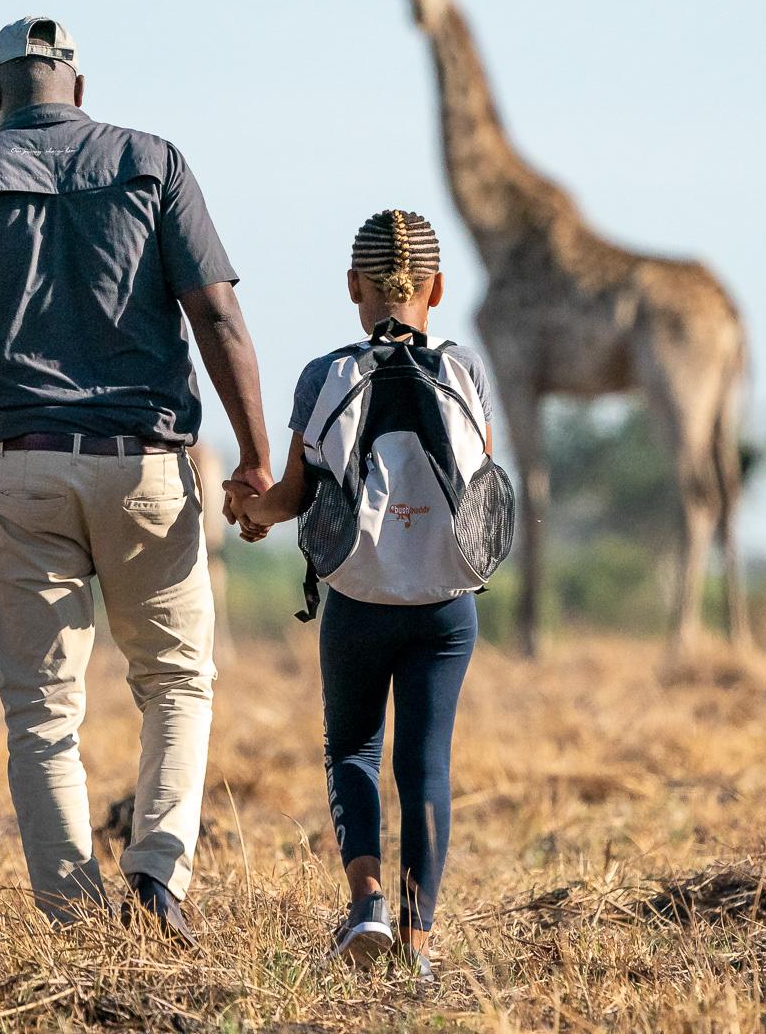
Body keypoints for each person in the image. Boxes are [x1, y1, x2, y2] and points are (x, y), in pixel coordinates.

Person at [0, 16, 272, 936]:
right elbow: (221, 319)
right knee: (175, 684)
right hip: (150, 469)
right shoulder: (154, 163)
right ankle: (159, 880)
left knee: (42, 712)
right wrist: (254, 458)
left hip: (27, 472)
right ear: (78, 90)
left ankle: (77, 923)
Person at [240, 210, 491, 982]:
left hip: (357, 597)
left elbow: (289, 497)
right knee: (426, 764)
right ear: (437, 289)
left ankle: (367, 907)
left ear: (353, 287)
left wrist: (247, 511)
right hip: (447, 605)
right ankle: (417, 944)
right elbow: (481, 490)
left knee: (352, 747)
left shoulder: (325, 376)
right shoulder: (466, 371)